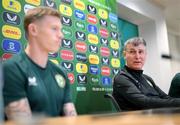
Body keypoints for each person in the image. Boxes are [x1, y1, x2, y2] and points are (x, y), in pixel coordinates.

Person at [2, 6, 77, 119]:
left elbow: (72, 119)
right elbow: (22, 122)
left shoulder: (61, 72)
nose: (61, 35)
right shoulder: (12, 68)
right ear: (33, 30)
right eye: (54, 28)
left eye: (60, 29)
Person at [113, 37, 180, 111]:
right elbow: (144, 102)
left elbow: (166, 98)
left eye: (140, 52)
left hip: (158, 116)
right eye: (132, 52)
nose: (137, 57)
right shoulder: (121, 78)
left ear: (145, 55)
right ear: (125, 55)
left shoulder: (147, 78)